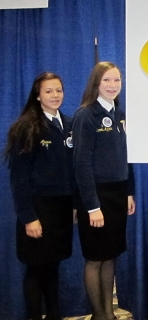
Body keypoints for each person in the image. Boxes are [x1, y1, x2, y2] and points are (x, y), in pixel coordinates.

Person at [4, 72, 74, 320]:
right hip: (37, 211)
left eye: (58, 90)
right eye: (48, 91)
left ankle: (54, 315)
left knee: (53, 268)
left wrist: (74, 206)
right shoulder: (27, 127)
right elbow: (19, 179)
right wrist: (28, 218)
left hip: (61, 211)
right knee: (36, 269)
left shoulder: (68, 125)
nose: (55, 95)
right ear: (37, 95)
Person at [72, 61, 135, 320]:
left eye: (117, 80)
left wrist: (129, 192)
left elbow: (125, 157)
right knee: (95, 258)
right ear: (96, 84)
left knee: (111, 256)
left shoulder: (120, 113)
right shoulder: (86, 115)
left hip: (118, 194)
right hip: (96, 196)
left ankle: (109, 312)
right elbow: (81, 164)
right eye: (107, 80)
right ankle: (99, 315)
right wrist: (92, 206)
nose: (112, 85)